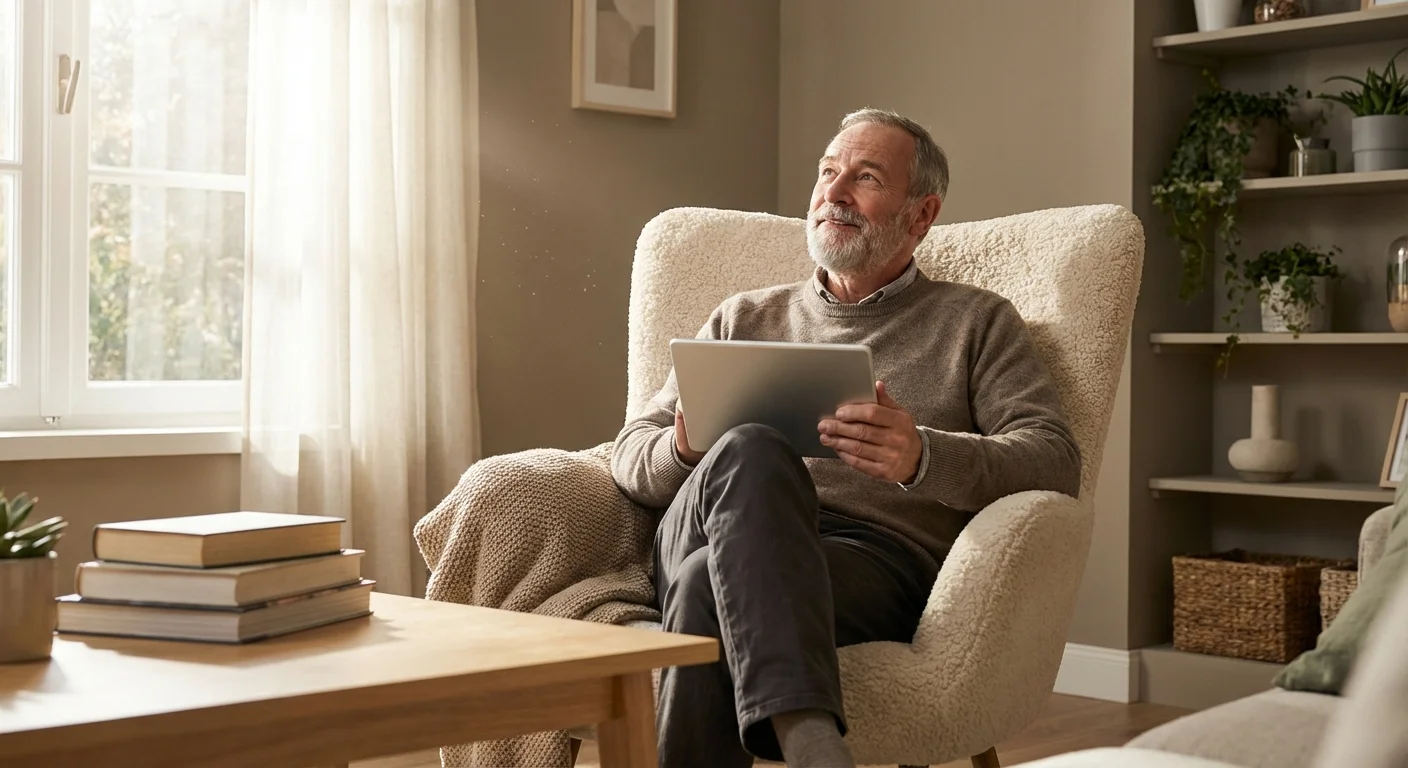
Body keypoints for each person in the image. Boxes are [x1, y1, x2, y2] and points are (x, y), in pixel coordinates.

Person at [608, 108, 1082, 768]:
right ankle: (811, 740)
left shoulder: (977, 323)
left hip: (869, 562)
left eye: (864, 177)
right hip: (709, 524)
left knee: (701, 586)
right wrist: (685, 450)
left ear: (920, 215)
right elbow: (630, 456)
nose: (834, 192)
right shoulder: (742, 316)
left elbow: (1055, 460)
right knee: (749, 447)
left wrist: (924, 455)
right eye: (828, 172)